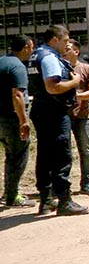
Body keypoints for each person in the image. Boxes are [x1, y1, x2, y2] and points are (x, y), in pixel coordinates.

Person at [27, 25, 87, 216]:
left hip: (40, 108)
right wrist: (74, 82)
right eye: (65, 40)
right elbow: (53, 87)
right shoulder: (50, 57)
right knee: (61, 155)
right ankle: (64, 200)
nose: (67, 44)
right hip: (54, 111)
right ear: (54, 39)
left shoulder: (36, 55)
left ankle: (46, 200)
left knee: (45, 154)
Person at [0, 35, 36, 208]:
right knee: (18, 156)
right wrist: (23, 121)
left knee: (9, 154)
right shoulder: (18, 67)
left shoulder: (2, 62)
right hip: (11, 119)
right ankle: (12, 196)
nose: (33, 51)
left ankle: (8, 192)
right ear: (26, 47)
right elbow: (18, 95)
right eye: (32, 47)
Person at [63, 39, 89, 196]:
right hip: (62, 118)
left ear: (76, 51)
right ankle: (62, 184)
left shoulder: (86, 68)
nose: (65, 51)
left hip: (82, 117)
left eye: (68, 49)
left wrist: (79, 96)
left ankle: (87, 182)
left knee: (85, 151)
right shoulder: (58, 67)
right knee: (63, 152)